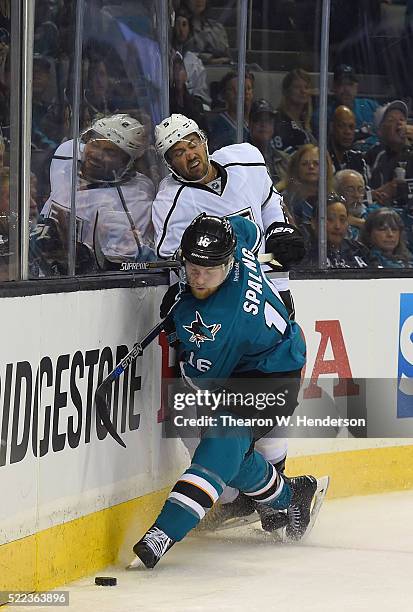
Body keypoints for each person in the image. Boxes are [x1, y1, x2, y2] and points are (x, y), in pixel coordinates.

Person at [132, 213, 318, 569]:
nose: (199, 278)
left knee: (220, 446)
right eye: (192, 267)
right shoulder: (237, 242)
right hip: (268, 353)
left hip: (269, 377)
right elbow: (243, 225)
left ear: (228, 261)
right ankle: (290, 495)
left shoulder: (220, 321)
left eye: (209, 270)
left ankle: (162, 533)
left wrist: (177, 330)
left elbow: (200, 381)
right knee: (233, 454)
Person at [152, 113, 306, 526]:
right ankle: (258, 490)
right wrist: (181, 289)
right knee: (222, 408)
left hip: (271, 293)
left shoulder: (245, 159)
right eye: (177, 153)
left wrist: (281, 232)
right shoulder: (172, 202)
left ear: (204, 140)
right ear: (169, 163)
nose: (189, 156)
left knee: (268, 390)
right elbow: (178, 262)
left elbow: (271, 203)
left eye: (191, 144)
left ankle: (277, 484)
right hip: (223, 315)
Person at [38, 113, 155, 274]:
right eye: (94, 144)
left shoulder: (136, 197)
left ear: (126, 162)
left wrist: (71, 248)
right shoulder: (66, 153)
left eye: (110, 152)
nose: (95, 154)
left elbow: (121, 266)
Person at [365, 100, 413, 206]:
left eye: (402, 119)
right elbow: (365, 197)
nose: (399, 123)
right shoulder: (374, 155)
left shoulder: (410, 153)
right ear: (380, 130)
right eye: (391, 120)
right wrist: (386, 190)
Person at [303, 193, 369, 268]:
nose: (337, 226)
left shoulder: (359, 250)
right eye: (330, 219)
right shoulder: (304, 255)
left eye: (342, 220)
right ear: (314, 223)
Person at [277, 143, 334, 227]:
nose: (311, 166)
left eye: (316, 163)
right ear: (296, 168)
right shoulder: (284, 199)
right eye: (304, 163)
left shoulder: (332, 199)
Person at [171, 6, 211, 110]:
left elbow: (201, 94)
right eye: (177, 24)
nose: (181, 29)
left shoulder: (195, 61)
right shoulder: (165, 56)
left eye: (184, 25)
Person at [272, 69, 316, 156]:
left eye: (306, 87)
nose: (303, 91)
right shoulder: (278, 119)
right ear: (287, 91)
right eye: (297, 87)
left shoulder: (309, 123)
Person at [208, 71, 254, 152]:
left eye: (248, 88)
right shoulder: (217, 124)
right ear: (224, 95)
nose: (244, 93)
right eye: (233, 90)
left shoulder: (258, 120)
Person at [249, 98, 290, 185]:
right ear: (250, 124)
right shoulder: (239, 158)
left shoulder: (284, 159)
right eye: (258, 120)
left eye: (268, 120)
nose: (263, 124)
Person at [328, 105, 369, 186]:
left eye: (351, 127)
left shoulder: (357, 158)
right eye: (342, 126)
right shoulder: (321, 158)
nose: (347, 132)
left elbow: (364, 190)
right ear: (332, 127)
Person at [182, 0, 231, 65]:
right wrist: (209, 60)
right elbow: (181, 54)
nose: (199, 1)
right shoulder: (181, 25)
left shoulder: (217, 27)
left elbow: (227, 57)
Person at [334, 169, 379, 241]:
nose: (357, 195)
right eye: (350, 190)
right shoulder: (332, 219)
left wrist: (361, 223)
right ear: (337, 193)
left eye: (360, 190)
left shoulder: (375, 212)